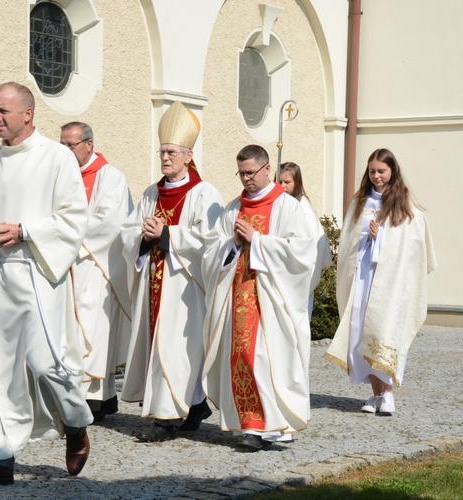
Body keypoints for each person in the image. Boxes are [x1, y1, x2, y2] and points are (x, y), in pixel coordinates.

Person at [0, 82, 92, 489]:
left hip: (36, 271)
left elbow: (73, 217)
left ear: (28, 113)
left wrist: (25, 230)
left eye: (4, 111)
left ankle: (75, 422)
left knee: (46, 363)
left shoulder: (56, 158)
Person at [202, 145, 316, 452]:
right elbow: (212, 250)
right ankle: (252, 425)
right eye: (241, 173)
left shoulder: (287, 207)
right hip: (238, 294)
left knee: (265, 360)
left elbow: (303, 254)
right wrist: (233, 243)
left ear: (267, 169)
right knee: (241, 358)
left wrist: (259, 242)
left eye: (250, 172)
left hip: (271, 300)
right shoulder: (232, 208)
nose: (245, 179)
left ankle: (271, 427)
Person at [120, 101, 223, 442]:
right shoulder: (152, 192)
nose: (164, 158)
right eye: (162, 152)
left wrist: (166, 235)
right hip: (154, 280)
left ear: (188, 156)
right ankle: (194, 407)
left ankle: (166, 420)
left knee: (178, 350)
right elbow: (129, 231)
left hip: (185, 288)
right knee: (161, 348)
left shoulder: (204, 194)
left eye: (171, 152)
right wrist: (142, 235)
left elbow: (213, 239)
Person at [324, 148, 437, 415]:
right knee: (361, 331)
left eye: (382, 171)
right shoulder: (360, 201)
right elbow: (349, 240)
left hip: (389, 284)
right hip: (362, 279)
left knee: (384, 330)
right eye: (373, 171)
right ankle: (376, 395)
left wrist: (382, 236)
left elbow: (412, 242)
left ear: (392, 171)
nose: (377, 176)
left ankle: (388, 395)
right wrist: (368, 236)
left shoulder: (404, 202)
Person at [60, 121, 133, 422]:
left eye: (71, 145)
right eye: (61, 144)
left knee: (94, 328)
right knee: (70, 329)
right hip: (66, 264)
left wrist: (66, 235)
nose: (65, 150)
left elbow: (110, 220)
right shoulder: (60, 175)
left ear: (88, 144)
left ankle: (98, 398)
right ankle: (76, 393)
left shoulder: (111, 177)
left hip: (96, 264)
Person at [278, 162, 333, 317]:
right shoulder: (282, 203)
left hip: (298, 275)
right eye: (279, 181)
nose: (282, 186)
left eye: (287, 182)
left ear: (297, 183)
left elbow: (313, 244)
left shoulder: (303, 209)